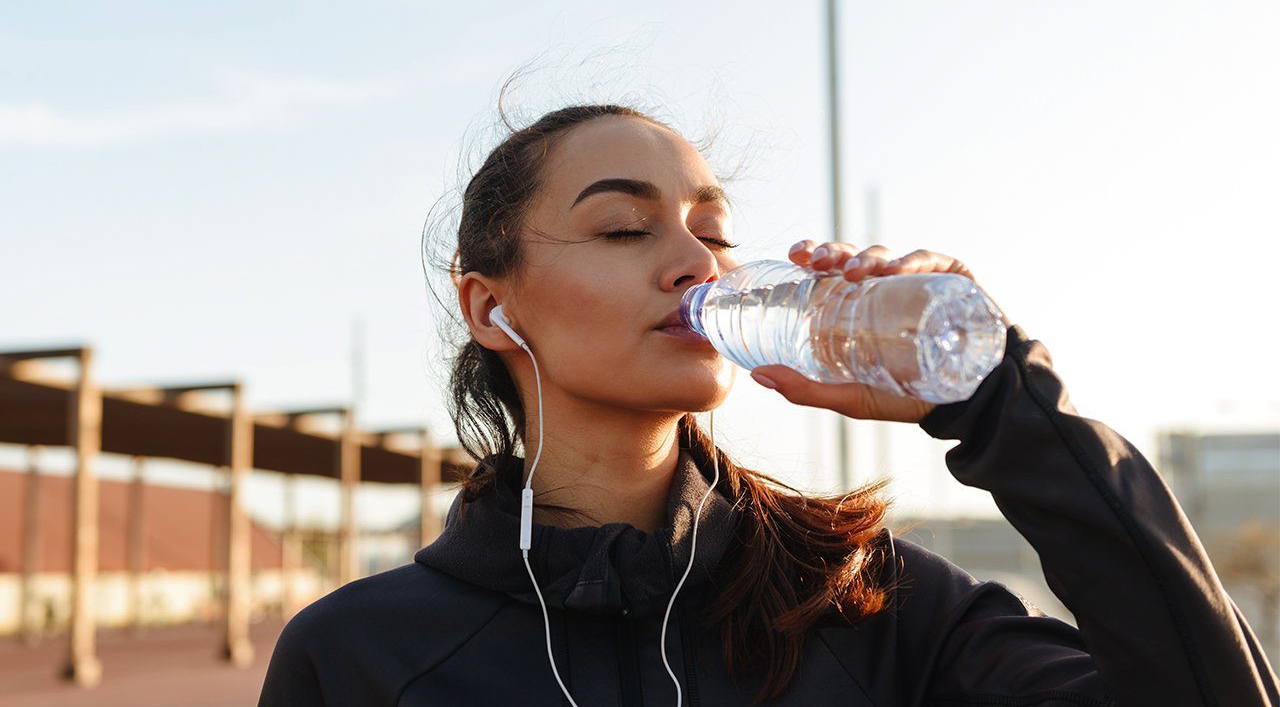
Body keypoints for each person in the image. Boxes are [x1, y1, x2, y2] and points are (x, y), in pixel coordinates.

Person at [258, 104, 1279, 706]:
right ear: (489, 304)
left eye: (711, 230)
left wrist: (998, 398)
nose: (695, 264)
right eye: (623, 228)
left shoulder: (872, 603)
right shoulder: (360, 654)